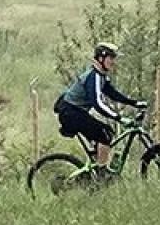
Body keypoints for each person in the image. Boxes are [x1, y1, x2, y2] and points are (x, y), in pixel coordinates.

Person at [54, 42, 146, 170]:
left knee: (105, 134)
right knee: (105, 135)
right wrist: (119, 118)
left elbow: (112, 93)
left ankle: (96, 169)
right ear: (101, 58)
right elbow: (98, 104)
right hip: (70, 113)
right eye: (111, 58)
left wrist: (134, 103)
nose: (113, 62)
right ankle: (102, 174)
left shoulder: (101, 76)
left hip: (75, 112)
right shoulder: (94, 77)